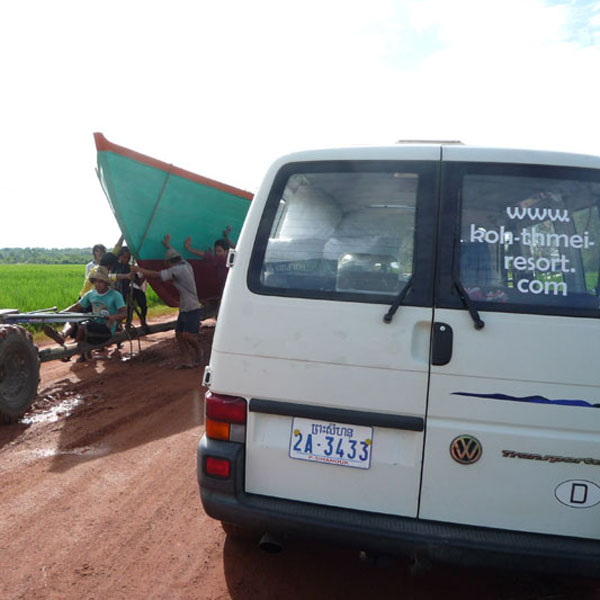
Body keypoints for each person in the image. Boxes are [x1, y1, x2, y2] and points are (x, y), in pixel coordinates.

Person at [131, 235, 203, 369]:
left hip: (191, 307)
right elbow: (179, 255)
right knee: (179, 335)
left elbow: (158, 275)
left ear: (170, 263)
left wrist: (140, 270)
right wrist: (168, 245)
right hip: (185, 306)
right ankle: (187, 360)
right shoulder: (186, 264)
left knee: (186, 335)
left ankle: (198, 350)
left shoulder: (177, 269)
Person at [43, 267, 127, 362]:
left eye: (100, 281)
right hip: (93, 323)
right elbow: (76, 307)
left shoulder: (115, 295)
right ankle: (62, 335)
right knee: (74, 317)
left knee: (83, 326)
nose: (97, 284)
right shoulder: (91, 294)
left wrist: (113, 317)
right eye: (95, 281)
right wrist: (59, 314)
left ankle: (71, 352)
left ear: (106, 282)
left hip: (106, 328)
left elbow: (124, 313)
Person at [184, 225, 236, 298]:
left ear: (226, 252)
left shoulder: (222, 260)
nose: (217, 253)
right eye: (216, 251)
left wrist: (189, 248)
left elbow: (206, 256)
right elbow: (235, 247)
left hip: (228, 287)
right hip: (228, 285)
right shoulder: (230, 257)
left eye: (219, 251)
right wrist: (227, 237)